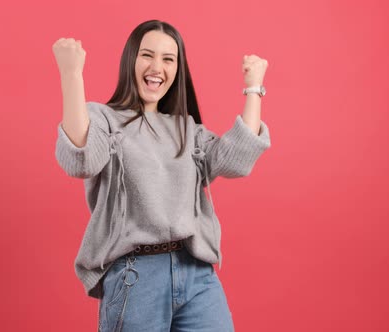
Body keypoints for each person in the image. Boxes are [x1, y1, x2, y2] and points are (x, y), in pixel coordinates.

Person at [53, 20, 271, 332]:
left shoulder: (185, 129)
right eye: (147, 55)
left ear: (177, 70)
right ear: (131, 59)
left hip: (197, 274)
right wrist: (72, 74)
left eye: (168, 59)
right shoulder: (105, 119)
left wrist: (253, 88)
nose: (157, 67)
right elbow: (82, 161)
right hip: (136, 276)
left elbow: (236, 159)